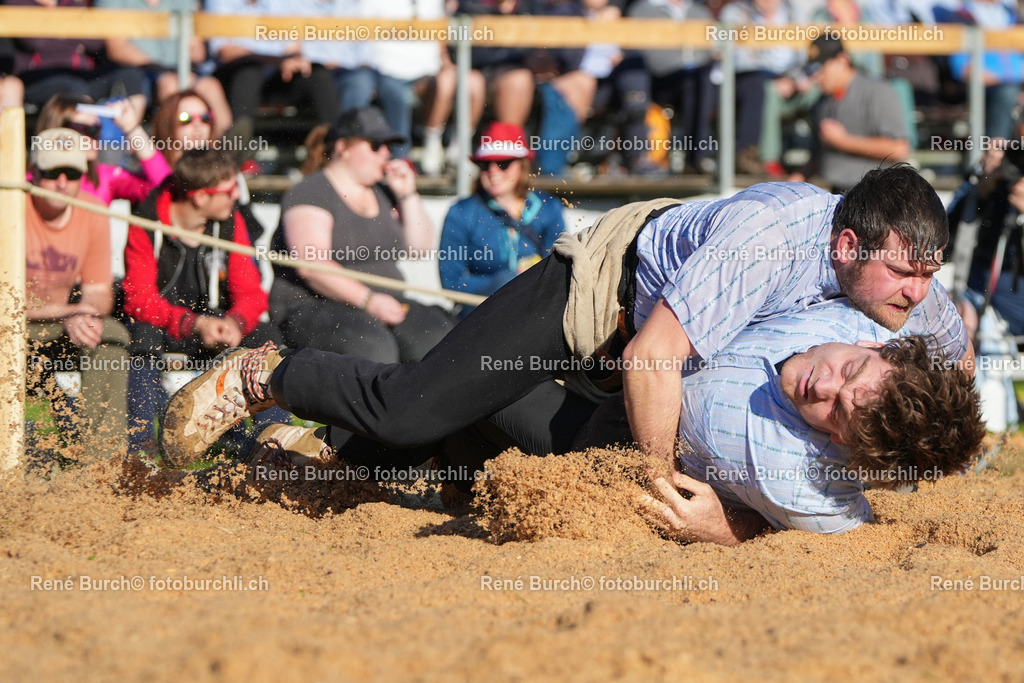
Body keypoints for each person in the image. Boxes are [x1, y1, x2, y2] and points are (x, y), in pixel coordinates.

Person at [158, 166, 973, 493]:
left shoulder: (901, 287)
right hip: (592, 298)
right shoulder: (770, 240)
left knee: (543, 456)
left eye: (927, 274)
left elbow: (951, 344)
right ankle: (267, 373)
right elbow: (653, 358)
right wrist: (655, 487)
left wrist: (946, 425)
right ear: (847, 246)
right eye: (906, 274)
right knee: (411, 409)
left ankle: (335, 459)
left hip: (640, 349)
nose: (917, 291)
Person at [121, 149, 286, 453]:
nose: (237, 195)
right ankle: (140, 451)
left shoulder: (231, 221)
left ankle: (275, 444)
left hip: (218, 325)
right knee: (143, 336)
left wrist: (236, 323)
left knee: (266, 338)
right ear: (199, 197)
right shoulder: (146, 222)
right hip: (165, 326)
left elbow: (251, 293)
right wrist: (193, 324)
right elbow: (138, 300)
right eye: (228, 190)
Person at [269, 107, 454, 361]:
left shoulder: (384, 192)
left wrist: (407, 195)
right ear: (343, 148)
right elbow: (310, 265)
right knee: (373, 349)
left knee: (440, 341)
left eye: (388, 146)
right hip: (316, 306)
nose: (386, 153)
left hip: (387, 303)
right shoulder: (311, 191)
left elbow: (419, 249)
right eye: (376, 145)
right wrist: (369, 300)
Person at [25, 128, 131, 460]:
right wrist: (69, 312)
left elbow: (99, 293)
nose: (61, 182)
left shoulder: (93, 209)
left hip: (56, 323)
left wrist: (84, 313)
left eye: (71, 174)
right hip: (12, 326)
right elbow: (6, 304)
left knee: (111, 335)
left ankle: (101, 463)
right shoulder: (9, 209)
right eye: (52, 172)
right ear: (33, 171)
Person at [439, 122, 565, 314]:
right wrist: (510, 282)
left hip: (537, 307)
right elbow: (451, 282)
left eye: (502, 163)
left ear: (522, 165)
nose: (493, 171)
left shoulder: (549, 207)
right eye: (485, 164)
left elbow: (560, 269)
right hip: (481, 313)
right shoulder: (461, 212)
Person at [789, 32, 911, 194]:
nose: (816, 75)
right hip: (837, 193)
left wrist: (843, 141)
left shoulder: (878, 91)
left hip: (876, 196)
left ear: (842, 60)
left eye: (821, 67)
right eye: (812, 69)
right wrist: (795, 180)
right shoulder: (822, 102)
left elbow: (899, 149)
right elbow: (819, 155)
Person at [94, 0, 233, 138]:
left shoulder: (185, 2)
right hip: (139, 72)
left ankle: (227, 145)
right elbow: (117, 49)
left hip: (182, 70)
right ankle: (172, 146)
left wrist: (185, 71)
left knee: (211, 87)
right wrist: (161, 69)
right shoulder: (114, 2)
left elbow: (197, 49)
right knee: (170, 85)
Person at [6, 0, 148, 116]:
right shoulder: (16, 2)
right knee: (74, 87)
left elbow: (94, 42)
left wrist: (61, 29)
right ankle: (82, 136)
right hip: (37, 76)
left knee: (131, 75)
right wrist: (70, 29)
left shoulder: (72, 3)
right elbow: (35, 41)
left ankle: (130, 136)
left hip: (80, 72)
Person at [34, 93, 171, 206]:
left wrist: (132, 128)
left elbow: (166, 189)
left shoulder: (104, 178)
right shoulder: (32, 179)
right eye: (85, 129)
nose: (95, 137)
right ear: (57, 129)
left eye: (96, 130)